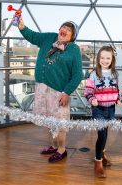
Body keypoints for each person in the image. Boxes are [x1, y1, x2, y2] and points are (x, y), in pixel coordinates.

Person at [17, 17, 83, 163]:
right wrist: (22, 26)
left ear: (73, 36)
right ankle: (53, 146)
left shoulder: (73, 49)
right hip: (42, 88)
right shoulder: (49, 38)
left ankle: (61, 150)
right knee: (50, 120)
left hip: (59, 92)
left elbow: (78, 75)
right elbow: (32, 36)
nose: (64, 30)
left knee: (60, 123)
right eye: (63, 27)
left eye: (69, 29)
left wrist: (67, 92)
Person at [84, 46, 122, 178]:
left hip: (111, 108)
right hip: (98, 108)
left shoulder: (115, 74)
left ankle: (102, 153)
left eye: (108, 58)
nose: (105, 60)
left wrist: (118, 99)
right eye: (102, 58)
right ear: (98, 58)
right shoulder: (94, 74)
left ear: (112, 59)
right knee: (102, 135)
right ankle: (98, 161)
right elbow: (87, 92)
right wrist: (92, 99)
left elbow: (116, 90)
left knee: (106, 133)